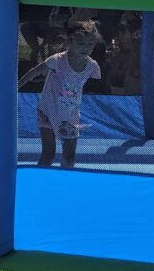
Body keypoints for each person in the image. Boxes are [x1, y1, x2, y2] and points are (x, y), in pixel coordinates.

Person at [18, 22, 102, 168]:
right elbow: (34, 72)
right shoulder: (57, 60)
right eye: (81, 43)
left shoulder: (92, 66)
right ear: (69, 42)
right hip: (48, 111)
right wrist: (17, 86)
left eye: (90, 44)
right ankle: (42, 179)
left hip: (69, 115)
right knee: (48, 153)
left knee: (69, 155)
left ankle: (65, 181)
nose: (86, 47)